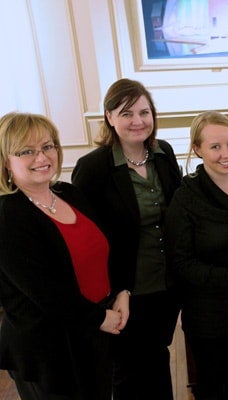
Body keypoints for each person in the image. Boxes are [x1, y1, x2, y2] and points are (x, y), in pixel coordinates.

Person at [0, 112, 128, 400]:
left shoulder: (69, 194)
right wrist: (99, 318)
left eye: (48, 146)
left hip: (93, 333)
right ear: (6, 161)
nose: (42, 157)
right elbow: (44, 291)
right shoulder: (8, 215)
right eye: (26, 151)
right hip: (50, 349)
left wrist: (122, 291)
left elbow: (105, 249)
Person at [71, 78, 182, 400]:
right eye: (126, 113)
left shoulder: (163, 153)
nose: (137, 121)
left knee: (158, 354)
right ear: (109, 117)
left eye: (144, 112)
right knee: (128, 369)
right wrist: (118, 289)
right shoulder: (93, 168)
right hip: (126, 289)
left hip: (166, 283)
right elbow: (88, 240)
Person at [164, 111, 228, 399]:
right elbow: (180, 262)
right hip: (208, 312)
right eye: (215, 146)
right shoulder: (186, 197)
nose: (226, 154)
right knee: (212, 386)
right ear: (197, 149)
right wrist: (226, 276)